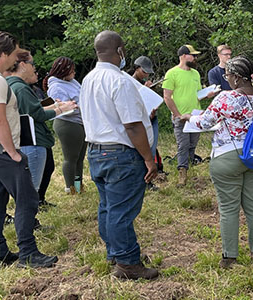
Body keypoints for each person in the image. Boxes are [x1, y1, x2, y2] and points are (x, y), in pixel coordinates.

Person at [0, 31, 58, 268]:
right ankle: (28, 252)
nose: (17, 60)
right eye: (14, 54)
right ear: (3, 53)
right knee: (28, 199)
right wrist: (13, 152)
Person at [80, 30, 159, 280]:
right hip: (120, 154)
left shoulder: (89, 79)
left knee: (108, 207)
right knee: (121, 211)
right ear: (120, 51)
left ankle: (117, 251)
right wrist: (149, 158)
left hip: (97, 152)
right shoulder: (120, 81)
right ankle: (127, 263)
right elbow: (133, 125)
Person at [185, 56, 253, 268]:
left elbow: (204, 122)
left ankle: (230, 257)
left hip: (227, 156)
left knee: (229, 209)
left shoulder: (226, 98)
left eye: (228, 76)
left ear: (238, 78)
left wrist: (189, 118)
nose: (227, 79)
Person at [7, 50, 76, 209]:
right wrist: (61, 110)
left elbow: (32, 108)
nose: (34, 69)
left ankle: (33, 210)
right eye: (32, 65)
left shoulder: (10, 84)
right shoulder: (21, 88)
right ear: (23, 65)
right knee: (31, 186)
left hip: (25, 139)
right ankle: (30, 220)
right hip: (33, 141)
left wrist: (55, 106)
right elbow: (36, 113)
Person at [162, 44, 216, 186]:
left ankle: (190, 168)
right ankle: (182, 173)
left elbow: (197, 95)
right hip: (180, 117)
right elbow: (167, 97)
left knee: (192, 145)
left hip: (194, 116)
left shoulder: (195, 74)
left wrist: (207, 95)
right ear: (183, 56)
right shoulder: (171, 73)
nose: (195, 58)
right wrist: (177, 114)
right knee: (183, 145)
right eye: (193, 55)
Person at [44, 57, 87, 194]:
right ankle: (70, 188)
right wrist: (78, 107)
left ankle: (79, 186)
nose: (74, 73)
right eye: (72, 70)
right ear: (64, 71)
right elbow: (61, 109)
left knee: (79, 158)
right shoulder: (56, 87)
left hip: (80, 122)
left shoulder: (72, 82)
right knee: (71, 158)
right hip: (68, 124)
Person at [131, 56, 163, 190]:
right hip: (139, 121)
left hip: (150, 117)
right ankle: (143, 182)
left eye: (148, 73)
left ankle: (149, 180)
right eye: (144, 72)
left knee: (151, 148)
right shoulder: (130, 83)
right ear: (136, 69)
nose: (146, 75)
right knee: (143, 152)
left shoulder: (143, 83)